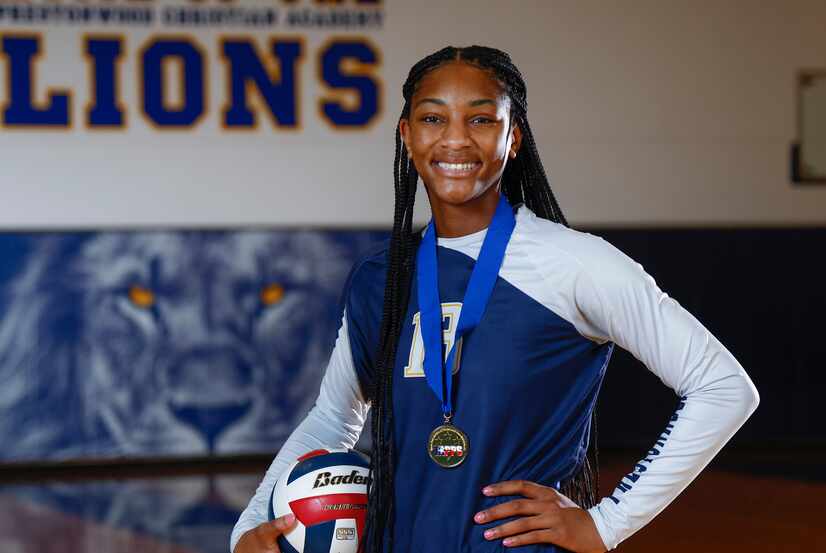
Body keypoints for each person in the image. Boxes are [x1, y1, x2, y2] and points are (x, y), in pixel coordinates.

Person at [231, 45, 759, 553]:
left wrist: (607, 523)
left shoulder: (574, 264)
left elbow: (723, 386)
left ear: (514, 138)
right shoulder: (382, 278)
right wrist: (251, 526)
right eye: (433, 119)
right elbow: (332, 419)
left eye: (481, 119)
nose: (455, 140)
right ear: (407, 135)